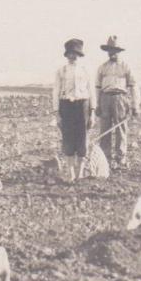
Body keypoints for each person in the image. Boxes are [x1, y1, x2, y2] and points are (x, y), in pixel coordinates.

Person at [53, 38, 95, 181]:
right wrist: (57, 113)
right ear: (67, 55)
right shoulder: (61, 71)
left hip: (83, 105)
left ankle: (80, 171)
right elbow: (56, 91)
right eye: (70, 53)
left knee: (83, 138)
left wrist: (92, 112)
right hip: (66, 106)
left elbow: (92, 91)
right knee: (68, 139)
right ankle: (70, 172)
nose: (72, 56)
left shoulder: (86, 70)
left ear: (79, 54)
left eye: (75, 53)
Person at [96, 36, 139, 168]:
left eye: (114, 50)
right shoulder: (102, 67)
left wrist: (135, 105)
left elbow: (133, 86)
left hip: (120, 98)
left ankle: (121, 158)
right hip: (105, 98)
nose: (112, 53)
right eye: (110, 50)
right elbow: (97, 87)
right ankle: (105, 158)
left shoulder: (125, 66)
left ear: (119, 51)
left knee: (121, 128)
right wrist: (97, 104)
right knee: (105, 128)